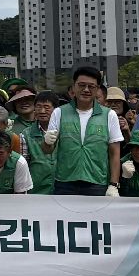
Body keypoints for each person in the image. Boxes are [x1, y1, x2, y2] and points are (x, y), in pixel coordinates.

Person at [43, 66, 123, 196]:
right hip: (65, 182)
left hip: (97, 182)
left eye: (91, 86)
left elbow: (114, 153)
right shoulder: (59, 112)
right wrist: (47, 142)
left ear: (97, 89)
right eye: (81, 85)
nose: (86, 90)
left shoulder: (109, 115)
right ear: (73, 87)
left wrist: (114, 184)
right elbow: (47, 150)